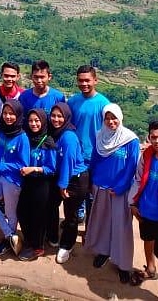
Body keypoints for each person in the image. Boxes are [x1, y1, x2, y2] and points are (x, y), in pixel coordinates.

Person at [85, 103, 139, 283]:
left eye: (113, 117)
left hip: (119, 191)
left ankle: (123, 265)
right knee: (102, 222)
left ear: (120, 117)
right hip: (100, 186)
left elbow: (131, 167)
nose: (110, 121)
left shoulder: (130, 140)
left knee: (121, 227)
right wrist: (91, 181)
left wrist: (120, 187)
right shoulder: (101, 136)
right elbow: (94, 160)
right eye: (107, 118)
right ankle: (103, 251)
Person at [0, 99, 29, 258]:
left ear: (18, 115)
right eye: (5, 113)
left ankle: (7, 240)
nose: (8, 117)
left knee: (10, 213)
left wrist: (2, 166)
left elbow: (24, 164)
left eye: (12, 114)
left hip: (12, 180)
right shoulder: (1, 130)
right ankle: (10, 235)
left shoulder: (22, 137)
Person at [46, 102, 89, 264]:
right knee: (51, 205)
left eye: (60, 116)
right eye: (54, 116)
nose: (56, 119)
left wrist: (63, 185)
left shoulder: (69, 136)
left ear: (67, 118)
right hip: (62, 177)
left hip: (75, 179)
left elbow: (68, 162)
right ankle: (52, 235)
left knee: (71, 214)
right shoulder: (56, 132)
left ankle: (67, 245)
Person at [67, 65, 110, 222]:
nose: (84, 84)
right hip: (77, 156)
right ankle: (79, 215)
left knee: (92, 193)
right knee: (77, 191)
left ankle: (91, 227)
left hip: (96, 156)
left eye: (87, 80)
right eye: (80, 80)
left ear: (95, 81)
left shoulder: (103, 103)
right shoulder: (73, 102)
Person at [17, 109, 57, 261]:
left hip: (41, 184)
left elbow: (51, 169)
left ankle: (38, 247)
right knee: (22, 211)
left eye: (37, 121)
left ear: (43, 122)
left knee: (38, 216)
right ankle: (29, 241)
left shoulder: (48, 142)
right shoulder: (26, 137)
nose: (33, 124)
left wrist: (33, 168)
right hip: (28, 181)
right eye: (31, 121)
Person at [129, 120, 158, 281]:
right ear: (149, 138)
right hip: (146, 209)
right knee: (148, 239)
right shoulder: (146, 156)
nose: (157, 141)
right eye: (154, 137)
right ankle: (151, 268)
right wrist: (132, 203)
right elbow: (138, 180)